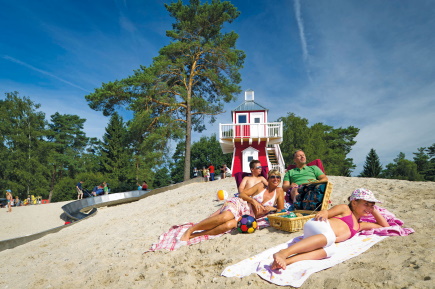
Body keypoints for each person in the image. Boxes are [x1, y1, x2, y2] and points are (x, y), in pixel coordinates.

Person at [271, 188, 389, 270]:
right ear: (354, 203)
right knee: (330, 237)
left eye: (371, 205)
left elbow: (386, 227)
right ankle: (283, 253)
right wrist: (324, 212)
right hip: (318, 225)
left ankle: (287, 261)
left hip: (321, 238)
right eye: (366, 204)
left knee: (330, 250)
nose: (369, 208)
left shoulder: (360, 225)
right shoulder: (345, 209)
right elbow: (326, 212)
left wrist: (374, 210)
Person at [180, 169, 285, 241]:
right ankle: (191, 229)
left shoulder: (279, 192)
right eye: (273, 177)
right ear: (268, 178)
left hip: (249, 216)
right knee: (226, 216)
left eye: (278, 177)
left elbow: (281, 210)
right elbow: (242, 194)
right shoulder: (261, 186)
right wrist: (253, 201)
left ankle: (196, 235)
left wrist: (274, 209)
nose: (276, 179)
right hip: (241, 205)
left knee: (229, 225)